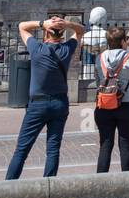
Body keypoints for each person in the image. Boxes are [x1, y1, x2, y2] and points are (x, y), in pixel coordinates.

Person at [6, 15, 86, 180]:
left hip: (38, 104)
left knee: (22, 150)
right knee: (53, 149)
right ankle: (49, 186)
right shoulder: (66, 49)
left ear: (45, 34)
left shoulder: (36, 48)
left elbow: (22, 26)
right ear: (62, 35)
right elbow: (81, 31)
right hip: (60, 103)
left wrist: (42, 24)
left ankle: (9, 185)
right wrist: (67, 24)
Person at [95, 26, 129, 173]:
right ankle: (128, 180)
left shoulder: (99, 58)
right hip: (126, 104)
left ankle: (101, 180)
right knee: (125, 143)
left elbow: (98, 81)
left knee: (105, 144)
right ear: (122, 41)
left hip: (104, 105)